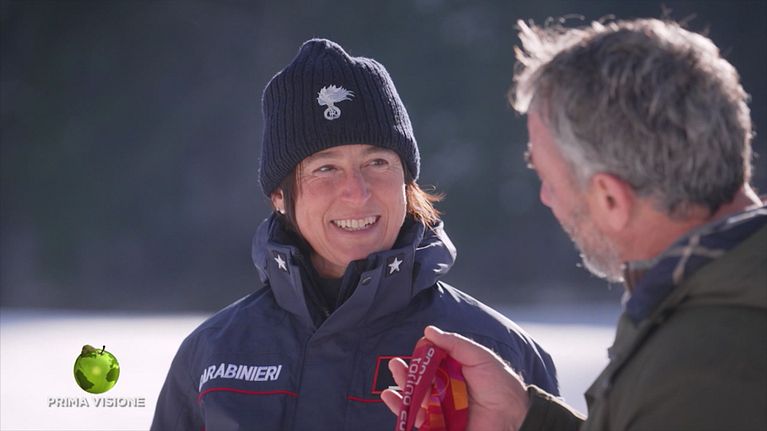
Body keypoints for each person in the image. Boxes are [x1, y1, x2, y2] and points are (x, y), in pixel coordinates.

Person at [151, 38, 560, 430]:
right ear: (279, 196)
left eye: (377, 162)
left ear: (407, 182)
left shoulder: (495, 351)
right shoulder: (212, 355)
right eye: (325, 168)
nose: (357, 192)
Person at [382, 17, 767, 431]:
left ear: (610, 198)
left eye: (548, 179)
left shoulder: (696, 374)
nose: (546, 198)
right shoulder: (715, 308)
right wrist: (523, 419)